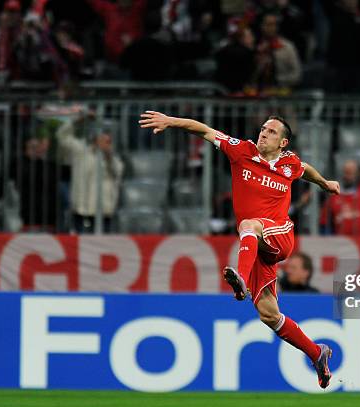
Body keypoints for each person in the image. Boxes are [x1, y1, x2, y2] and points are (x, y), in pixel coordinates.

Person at [139, 110, 340, 389]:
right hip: (257, 246)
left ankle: (241, 280)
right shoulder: (241, 151)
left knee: (248, 225)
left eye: (271, 131)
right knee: (269, 314)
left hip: (279, 235)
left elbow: (305, 169)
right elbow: (204, 130)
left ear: (283, 143)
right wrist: (171, 121)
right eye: (263, 129)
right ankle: (317, 353)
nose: (263, 133)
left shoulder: (289, 163)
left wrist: (325, 184)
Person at [56, 110, 124, 233]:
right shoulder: (80, 151)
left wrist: (108, 154)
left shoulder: (113, 158)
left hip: (105, 212)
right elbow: (62, 136)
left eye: (108, 140)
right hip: (82, 210)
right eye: (103, 138)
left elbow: (117, 172)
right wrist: (78, 120)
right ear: (96, 138)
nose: (106, 142)